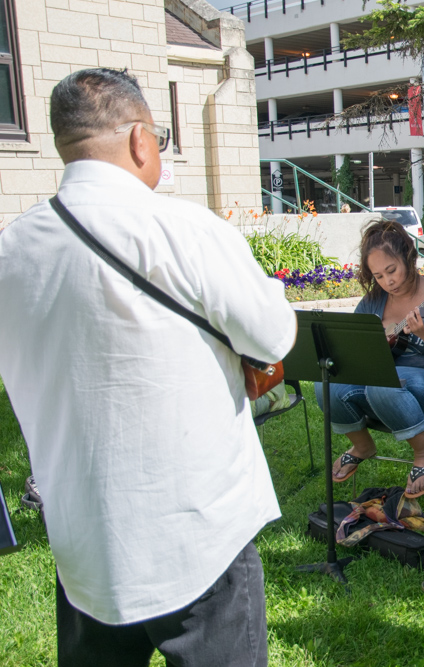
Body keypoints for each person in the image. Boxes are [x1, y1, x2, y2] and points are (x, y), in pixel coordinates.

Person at [0, 69, 296, 665]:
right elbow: (274, 333)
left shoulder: (11, 250)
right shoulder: (185, 229)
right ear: (140, 140)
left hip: (81, 532)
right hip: (197, 527)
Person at [316, 219, 424, 498]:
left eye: (392, 270)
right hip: (385, 389)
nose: (389, 281)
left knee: (384, 383)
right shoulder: (373, 302)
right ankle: (362, 445)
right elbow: (353, 351)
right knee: (326, 383)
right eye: (379, 276)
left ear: (409, 257)